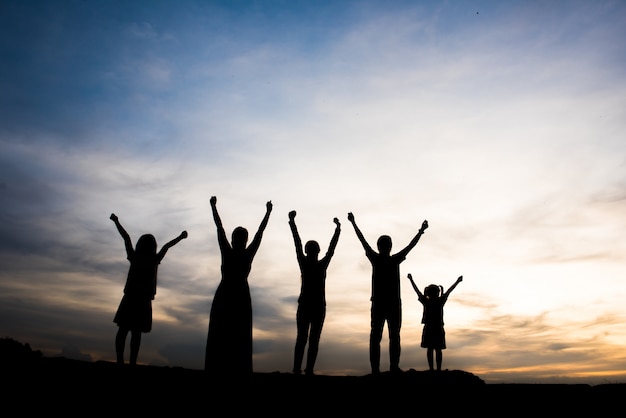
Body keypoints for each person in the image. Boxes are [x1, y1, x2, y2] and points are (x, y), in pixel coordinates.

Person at [347, 212, 428, 375]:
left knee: (379, 336)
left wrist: (353, 223)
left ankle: (380, 369)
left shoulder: (380, 259)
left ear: (380, 246)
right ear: (389, 246)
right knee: (391, 336)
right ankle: (389, 367)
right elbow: (410, 246)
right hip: (390, 303)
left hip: (383, 302)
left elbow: (362, 241)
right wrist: (420, 231)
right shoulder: (392, 259)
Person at [204, 196, 272, 376]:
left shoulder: (234, 252)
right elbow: (258, 233)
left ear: (236, 239)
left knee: (233, 333)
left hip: (232, 294)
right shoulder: (235, 252)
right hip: (234, 294)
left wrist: (268, 213)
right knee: (230, 333)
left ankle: (225, 367)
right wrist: (267, 213)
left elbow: (221, 228)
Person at [110, 213, 187, 366]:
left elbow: (126, 238)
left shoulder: (138, 257)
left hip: (134, 298)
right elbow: (166, 246)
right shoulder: (151, 259)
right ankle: (128, 361)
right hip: (139, 299)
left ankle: (123, 360)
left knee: (125, 330)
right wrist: (180, 237)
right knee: (132, 331)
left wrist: (116, 221)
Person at [288, 210, 341, 376]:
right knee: (307, 339)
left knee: (306, 339)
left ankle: (304, 369)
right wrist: (338, 230)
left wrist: (338, 230)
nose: (312, 252)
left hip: (313, 306)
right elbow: (299, 244)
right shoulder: (314, 264)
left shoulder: (313, 263)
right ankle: (302, 369)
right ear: (315, 251)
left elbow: (298, 244)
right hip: (311, 306)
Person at [407, 273, 463, 372]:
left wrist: (411, 280)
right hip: (436, 327)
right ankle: (437, 369)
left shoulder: (429, 301)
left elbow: (417, 291)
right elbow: (449, 291)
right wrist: (457, 282)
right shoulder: (439, 301)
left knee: (432, 349)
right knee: (436, 349)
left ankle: (434, 369)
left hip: (432, 327)